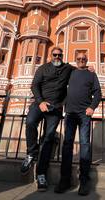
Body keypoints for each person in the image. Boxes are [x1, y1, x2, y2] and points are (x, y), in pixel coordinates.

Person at [21, 47, 75, 192]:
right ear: (50, 56)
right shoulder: (43, 68)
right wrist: (40, 102)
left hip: (55, 108)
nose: (57, 57)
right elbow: (34, 85)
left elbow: (79, 71)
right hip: (40, 104)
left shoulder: (67, 68)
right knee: (30, 122)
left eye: (59, 55)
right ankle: (31, 153)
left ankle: (41, 174)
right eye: (54, 55)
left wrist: (89, 68)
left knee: (48, 138)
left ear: (62, 56)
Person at [55, 52, 101, 196]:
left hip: (84, 114)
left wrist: (92, 107)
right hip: (70, 113)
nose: (81, 61)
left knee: (85, 145)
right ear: (76, 61)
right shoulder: (71, 72)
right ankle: (65, 180)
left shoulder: (91, 74)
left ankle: (84, 181)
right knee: (67, 145)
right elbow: (60, 66)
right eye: (79, 59)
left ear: (86, 60)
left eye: (84, 59)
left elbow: (98, 92)